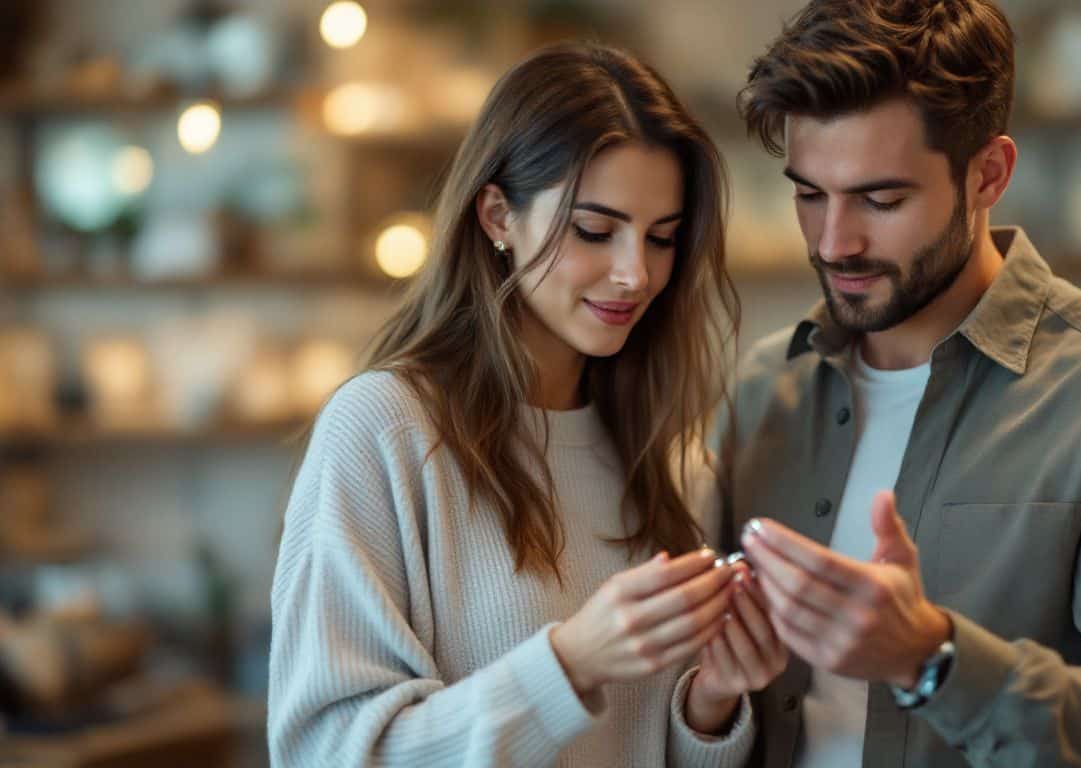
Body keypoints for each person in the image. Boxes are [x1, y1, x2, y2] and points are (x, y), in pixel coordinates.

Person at [711, 1, 1081, 766]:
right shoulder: (763, 389)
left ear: (988, 174)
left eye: (882, 199)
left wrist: (932, 659)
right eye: (809, 195)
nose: (835, 242)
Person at [268, 42, 788, 768]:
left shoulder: (666, 454)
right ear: (496, 216)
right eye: (594, 231)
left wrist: (712, 704)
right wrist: (569, 663)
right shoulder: (384, 430)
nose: (635, 274)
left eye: (662, 238)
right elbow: (326, 753)